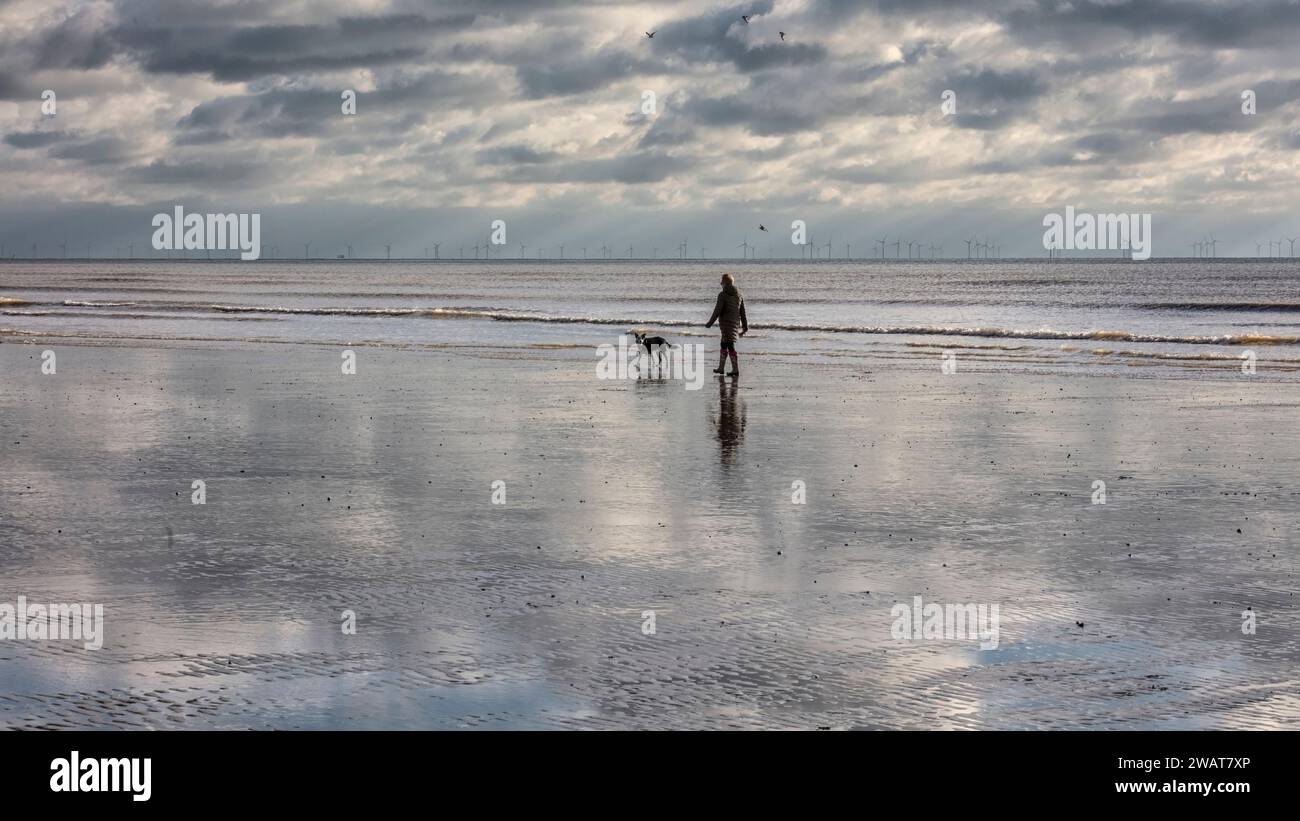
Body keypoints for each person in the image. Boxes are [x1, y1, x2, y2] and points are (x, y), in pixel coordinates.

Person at [704, 272, 748, 376]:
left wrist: (710, 323)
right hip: (735, 324)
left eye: (722, 282)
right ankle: (721, 368)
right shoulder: (739, 295)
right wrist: (745, 327)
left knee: (729, 345)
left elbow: (717, 310)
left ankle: (734, 369)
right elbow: (743, 312)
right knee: (725, 344)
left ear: (725, 283)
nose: (720, 283)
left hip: (726, 324)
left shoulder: (722, 295)